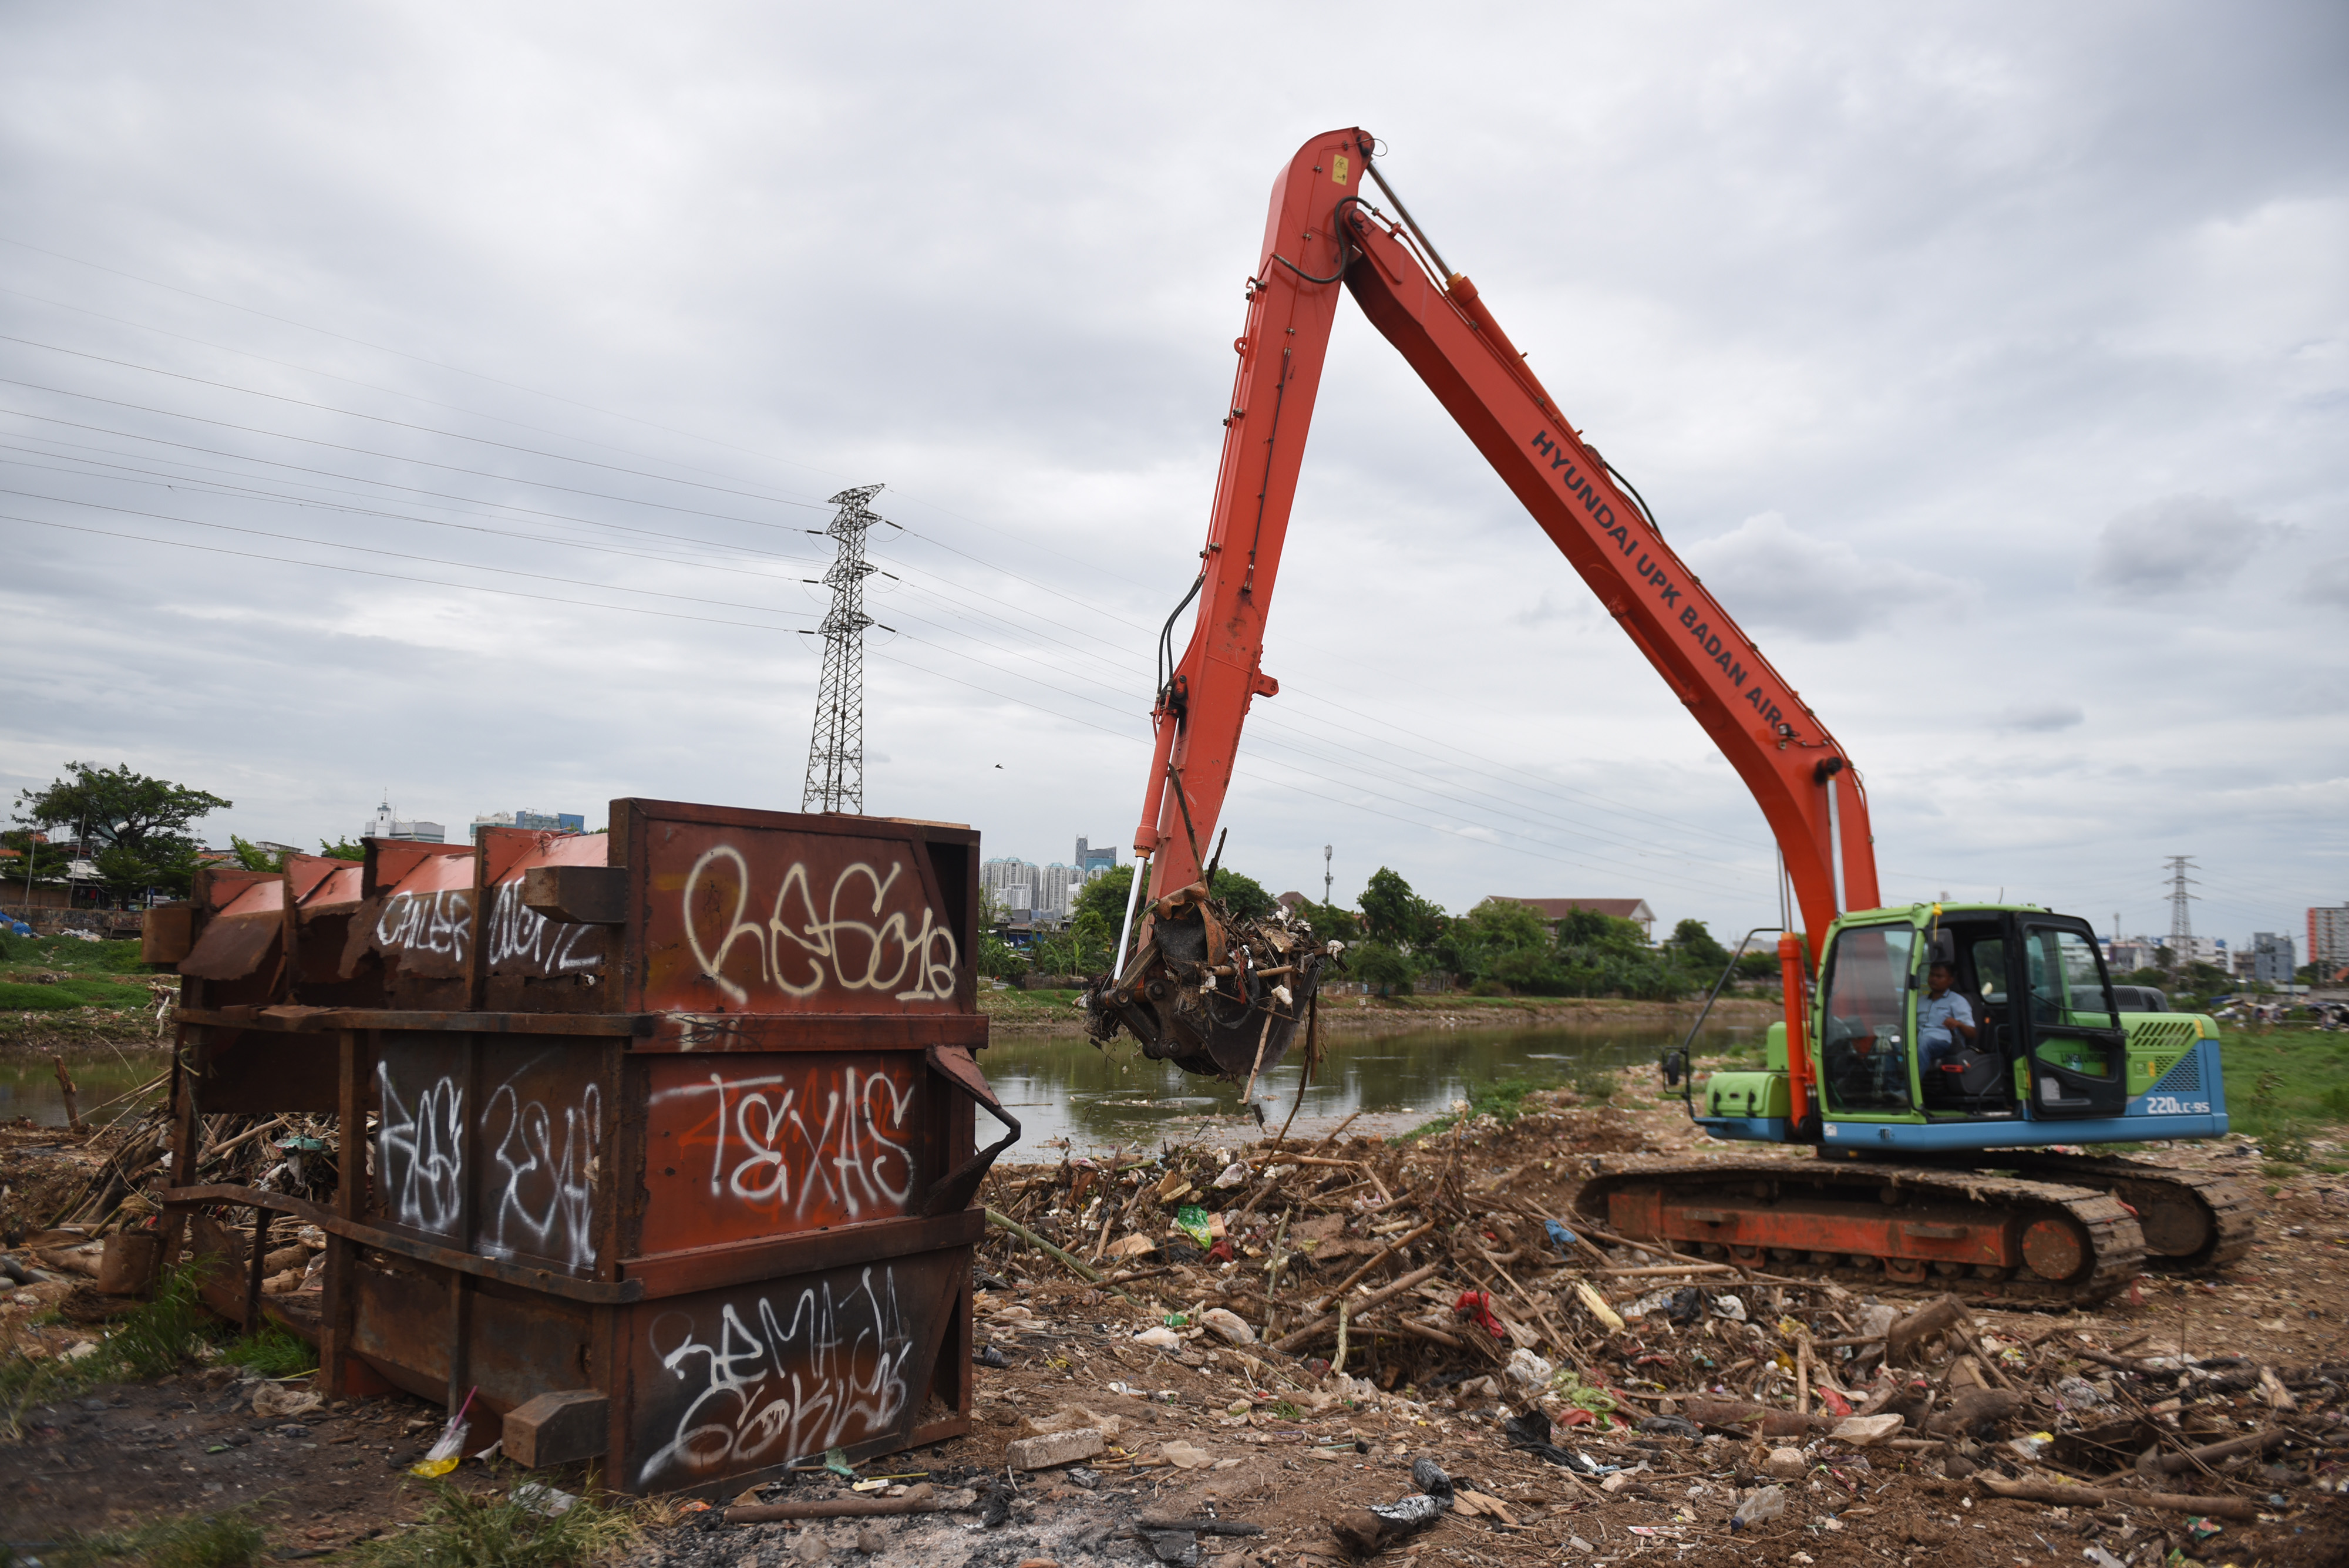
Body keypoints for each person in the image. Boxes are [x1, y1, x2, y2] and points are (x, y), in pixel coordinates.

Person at [1919, 961, 1978, 1072]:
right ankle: (1891, 1087)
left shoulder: (1958, 1001)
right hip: (1918, 1040)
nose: (1934, 979)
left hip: (1944, 1044)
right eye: (1932, 975)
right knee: (1889, 1043)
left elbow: (1972, 1033)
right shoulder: (1920, 1001)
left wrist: (1958, 1024)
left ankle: (1908, 1087)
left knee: (1925, 1042)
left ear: (1950, 980)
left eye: (1939, 976)